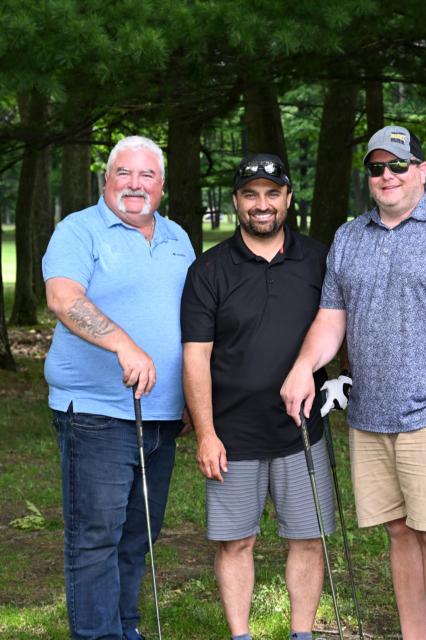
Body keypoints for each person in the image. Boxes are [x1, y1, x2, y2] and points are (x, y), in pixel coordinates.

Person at [281, 126, 426, 640]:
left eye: (398, 165)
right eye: (377, 167)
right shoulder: (349, 237)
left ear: (422, 170)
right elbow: (330, 318)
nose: (387, 176)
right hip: (369, 417)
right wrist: (302, 367)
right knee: (400, 534)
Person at [43, 135, 195, 640]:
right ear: (105, 181)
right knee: (96, 538)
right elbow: (64, 298)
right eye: (123, 174)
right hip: (96, 413)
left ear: (162, 186)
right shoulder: (79, 230)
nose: (135, 184)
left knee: (138, 535)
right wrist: (124, 345)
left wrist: (195, 399)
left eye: (146, 175)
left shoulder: (178, 238)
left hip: (162, 415)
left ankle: (124, 627)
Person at [181, 154, 336, 640]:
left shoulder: (317, 258)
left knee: (308, 540)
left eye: (272, 194)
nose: (262, 205)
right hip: (233, 434)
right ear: (236, 202)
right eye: (251, 195)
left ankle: (302, 633)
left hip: (302, 430)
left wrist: (343, 374)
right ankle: (241, 635)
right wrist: (205, 434)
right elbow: (195, 358)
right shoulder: (208, 270)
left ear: (288, 199)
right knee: (235, 542)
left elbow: (339, 325)